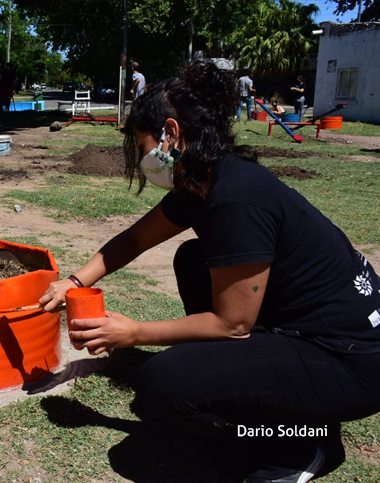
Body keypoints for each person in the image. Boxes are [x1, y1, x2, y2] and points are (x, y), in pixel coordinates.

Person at [39, 61, 380, 483]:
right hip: (319, 337)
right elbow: (132, 240)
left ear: (170, 133)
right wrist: (74, 282)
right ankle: (283, 401)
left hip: (352, 362)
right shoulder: (203, 180)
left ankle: (301, 444)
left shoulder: (235, 197)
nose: (140, 157)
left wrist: (134, 333)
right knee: (192, 259)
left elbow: (233, 323)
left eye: (141, 144)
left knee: (164, 384)